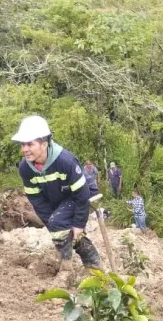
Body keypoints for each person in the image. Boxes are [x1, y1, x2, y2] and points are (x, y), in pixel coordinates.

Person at [12, 115, 101, 269]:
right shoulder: (25, 168)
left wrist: (79, 224)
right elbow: (36, 200)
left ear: (44, 144)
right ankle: (81, 263)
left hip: (82, 194)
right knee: (57, 225)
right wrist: (51, 224)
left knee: (61, 224)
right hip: (59, 197)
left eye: (30, 144)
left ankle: (86, 263)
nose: (25, 149)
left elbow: (81, 194)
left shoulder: (65, 161)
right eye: (22, 145)